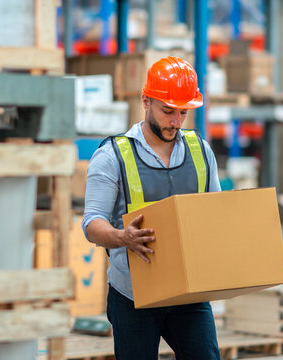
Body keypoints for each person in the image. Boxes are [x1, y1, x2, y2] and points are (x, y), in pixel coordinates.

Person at [82, 56, 221, 360]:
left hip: (189, 293)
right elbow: (91, 224)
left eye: (183, 112)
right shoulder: (112, 156)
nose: (176, 121)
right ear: (145, 101)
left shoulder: (201, 151)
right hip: (133, 296)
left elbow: (214, 213)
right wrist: (122, 238)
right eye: (168, 111)